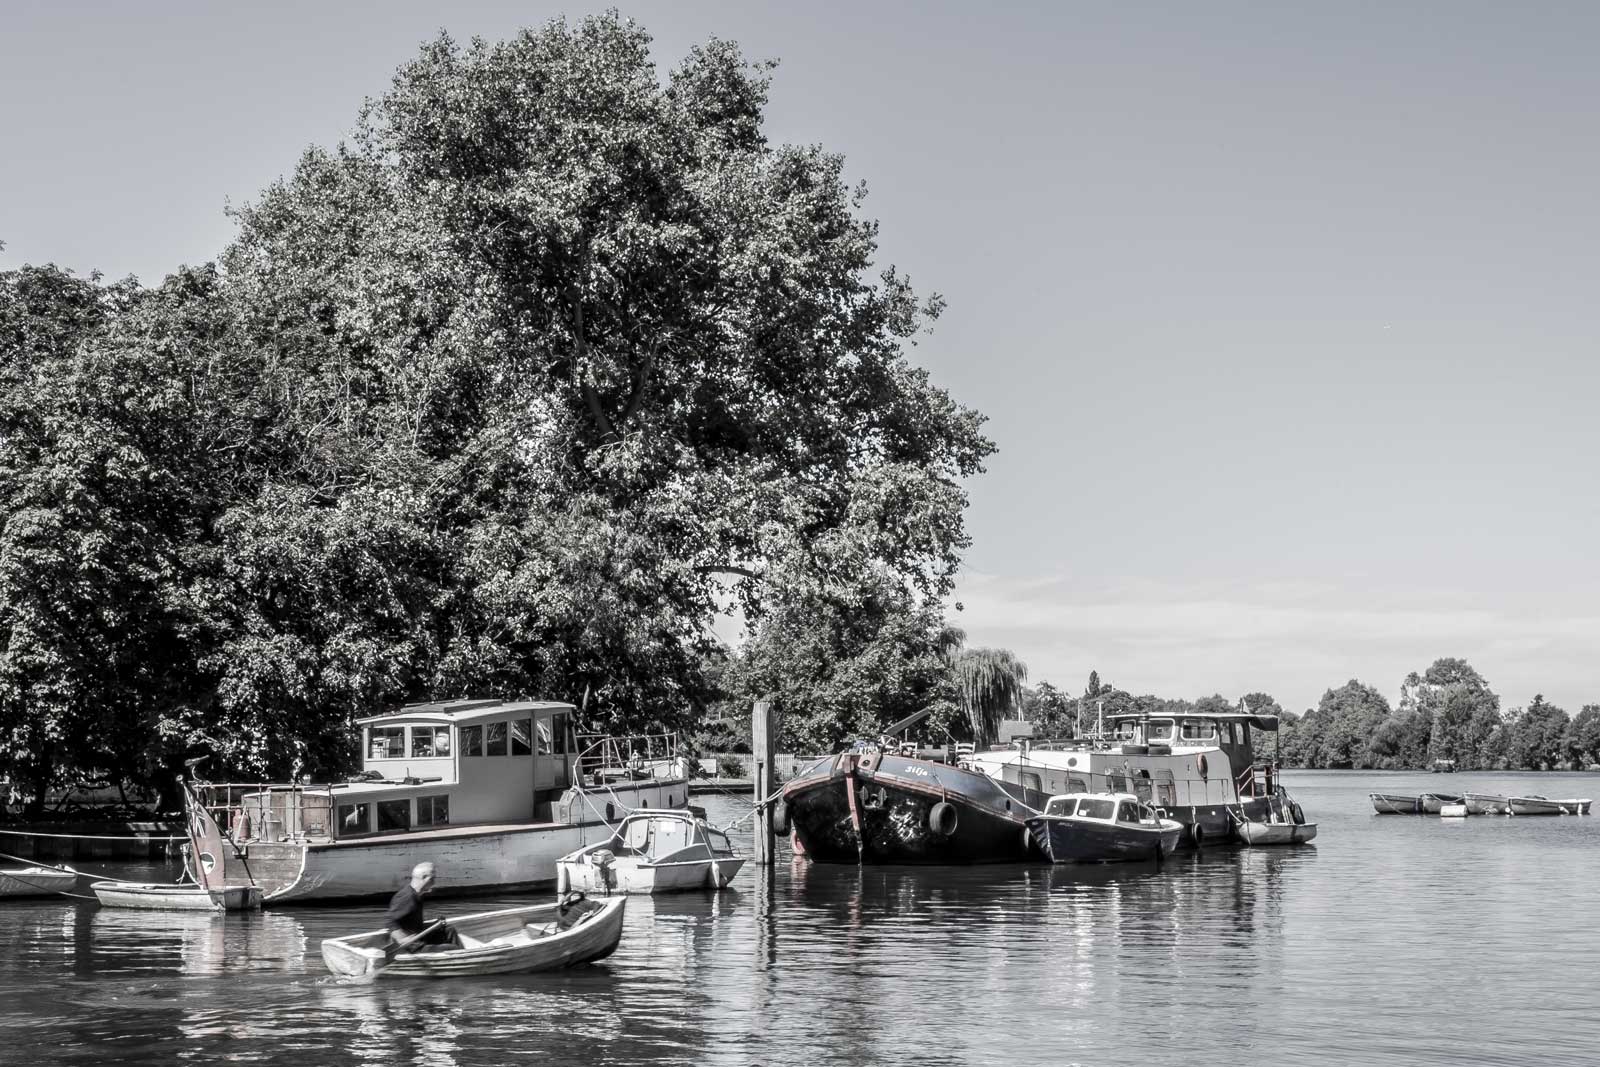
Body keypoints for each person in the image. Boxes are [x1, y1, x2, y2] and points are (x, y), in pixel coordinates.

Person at [385, 862, 455, 951]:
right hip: (413, 946)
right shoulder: (408, 897)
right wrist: (402, 939)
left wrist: (435, 924)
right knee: (452, 948)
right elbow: (390, 921)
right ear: (424, 877)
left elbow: (412, 924)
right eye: (432, 879)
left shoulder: (417, 895)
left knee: (449, 929)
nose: (434, 882)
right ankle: (461, 955)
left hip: (418, 937)